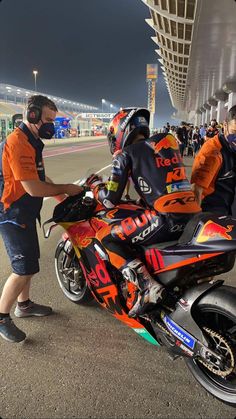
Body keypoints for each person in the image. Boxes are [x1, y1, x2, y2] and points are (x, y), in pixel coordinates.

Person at [87, 108, 201, 317]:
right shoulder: (169, 142)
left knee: (106, 238)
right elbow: (161, 181)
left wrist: (95, 186)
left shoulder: (125, 154)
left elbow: (110, 200)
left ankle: (147, 286)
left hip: (166, 219)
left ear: (120, 131)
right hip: (193, 215)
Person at [0, 95, 83, 343]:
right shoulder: (18, 142)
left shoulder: (33, 141)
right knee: (22, 269)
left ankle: (23, 306)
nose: (51, 125)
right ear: (32, 115)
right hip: (12, 214)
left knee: (30, 264)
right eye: (47, 119)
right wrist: (66, 187)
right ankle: (2, 317)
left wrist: (63, 197)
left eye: (53, 120)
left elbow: (42, 179)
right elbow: (33, 188)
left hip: (25, 212)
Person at [191, 105, 236, 215]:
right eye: (234, 131)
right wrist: (193, 222)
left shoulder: (232, 146)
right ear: (225, 126)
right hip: (213, 215)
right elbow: (197, 189)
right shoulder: (212, 152)